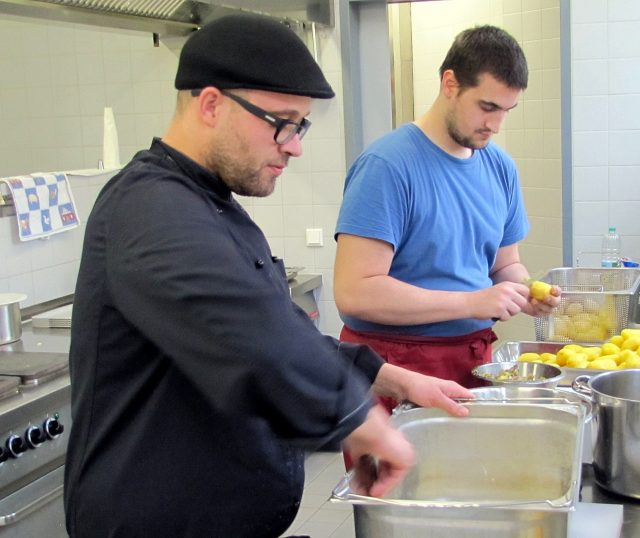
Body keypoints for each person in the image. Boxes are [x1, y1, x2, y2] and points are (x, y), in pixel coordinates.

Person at [64, 14, 472, 538]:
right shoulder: (147, 206)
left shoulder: (212, 207)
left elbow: (282, 327)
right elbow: (249, 334)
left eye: (300, 125)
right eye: (282, 121)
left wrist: (393, 377)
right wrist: (359, 418)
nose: (295, 145)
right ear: (211, 105)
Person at [334, 25, 561, 395]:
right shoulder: (387, 167)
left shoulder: (499, 167)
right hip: (395, 366)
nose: (495, 125)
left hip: (474, 359)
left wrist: (524, 291)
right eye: (487, 107)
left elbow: (504, 265)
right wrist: (473, 301)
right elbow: (356, 292)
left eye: (506, 110)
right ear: (450, 84)